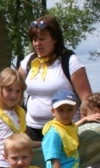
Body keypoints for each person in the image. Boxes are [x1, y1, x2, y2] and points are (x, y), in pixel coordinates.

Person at [17, 15, 92, 144]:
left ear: (55, 39)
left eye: (42, 39)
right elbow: (12, 86)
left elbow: (87, 99)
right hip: (33, 130)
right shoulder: (29, 61)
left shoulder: (69, 61)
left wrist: (85, 128)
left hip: (64, 129)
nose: (37, 44)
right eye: (34, 39)